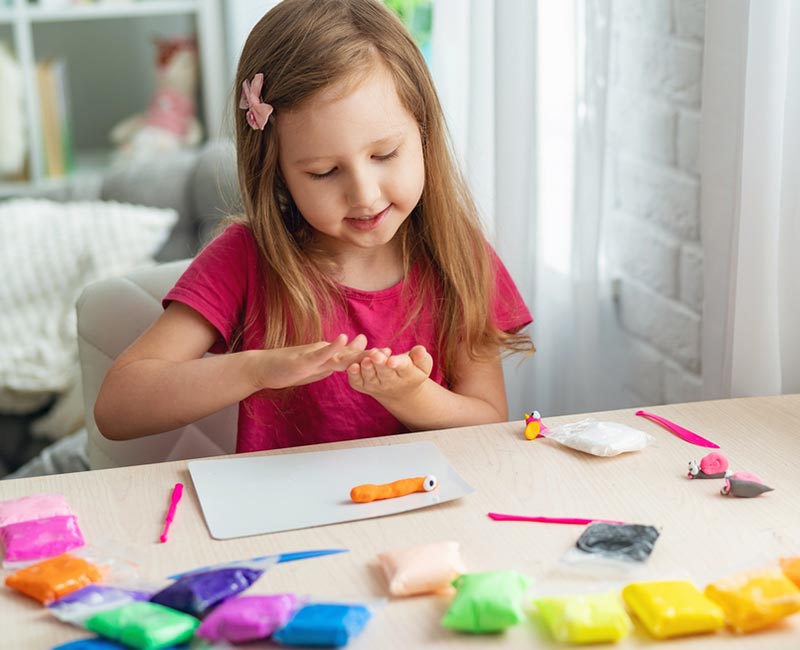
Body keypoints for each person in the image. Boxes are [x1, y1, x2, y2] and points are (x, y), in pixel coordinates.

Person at [94, 0, 535, 452]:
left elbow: (488, 420)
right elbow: (117, 407)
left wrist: (412, 396)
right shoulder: (246, 257)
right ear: (277, 171)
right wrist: (255, 370)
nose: (364, 194)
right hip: (289, 520)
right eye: (324, 172)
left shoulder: (457, 253)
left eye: (384, 155)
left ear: (423, 132)